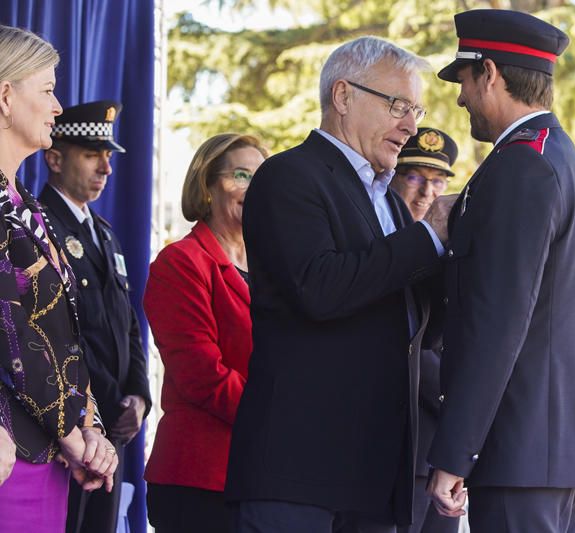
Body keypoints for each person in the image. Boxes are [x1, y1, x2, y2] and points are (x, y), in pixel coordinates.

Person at [225, 36, 453, 533]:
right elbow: (320, 287)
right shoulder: (289, 176)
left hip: (372, 478)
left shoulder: (389, 201)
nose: (411, 126)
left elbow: (411, 320)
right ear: (343, 96)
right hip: (299, 474)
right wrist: (430, 235)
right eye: (398, 106)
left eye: (416, 109)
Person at [426, 10, 575, 532]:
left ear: (488, 73)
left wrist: (456, 451)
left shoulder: (520, 167)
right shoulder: (560, 158)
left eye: (463, 80)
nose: (460, 97)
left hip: (517, 447)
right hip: (547, 448)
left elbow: (497, 322)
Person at [0, 24, 118, 532]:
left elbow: (66, 334)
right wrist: (73, 432)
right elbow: (12, 329)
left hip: (48, 452)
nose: (57, 107)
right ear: (5, 95)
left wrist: (89, 429)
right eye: (47, 90)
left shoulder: (31, 210)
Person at [37, 100, 151, 533]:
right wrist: (107, 399)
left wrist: (138, 396)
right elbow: (57, 330)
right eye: (91, 154)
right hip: (69, 424)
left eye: (107, 155)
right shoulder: (41, 226)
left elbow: (128, 326)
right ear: (54, 158)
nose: (105, 167)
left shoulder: (104, 234)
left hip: (114, 427)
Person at [143, 133, 267, 533]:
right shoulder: (180, 263)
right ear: (208, 185)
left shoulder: (275, 267)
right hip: (199, 479)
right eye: (242, 175)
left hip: (264, 474)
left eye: (263, 177)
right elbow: (201, 376)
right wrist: (278, 416)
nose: (255, 187)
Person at [392, 128, 460, 533]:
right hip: (400, 444)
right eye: (414, 178)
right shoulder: (385, 248)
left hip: (439, 448)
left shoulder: (451, 251)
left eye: (437, 182)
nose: (426, 193)